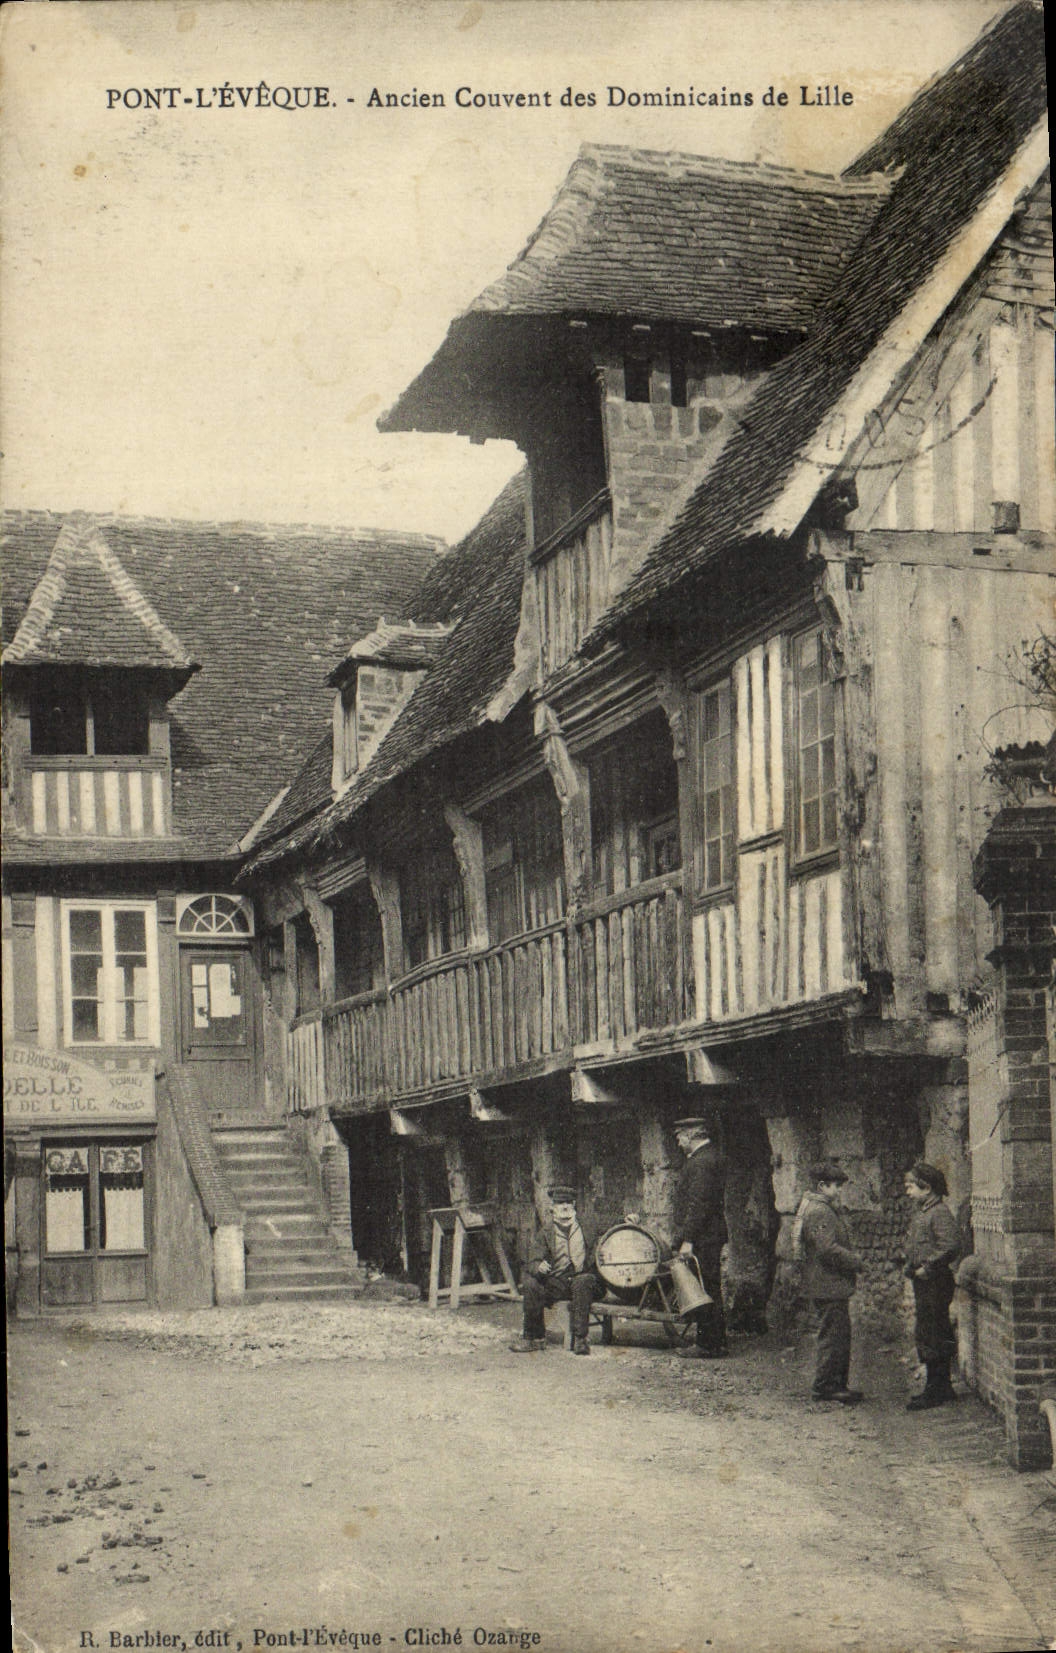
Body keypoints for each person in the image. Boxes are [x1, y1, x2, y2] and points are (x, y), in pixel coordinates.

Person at [794, 1161, 864, 1404]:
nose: (840, 1190)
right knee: (833, 1336)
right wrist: (855, 1261)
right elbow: (827, 1249)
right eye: (837, 1186)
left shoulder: (821, 1208)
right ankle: (826, 1386)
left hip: (829, 1284)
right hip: (828, 1284)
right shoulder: (820, 1211)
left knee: (838, 1335)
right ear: (822, 1186)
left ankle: (835, 1385)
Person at [509, 1184, 598, 1355]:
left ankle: (580, 1340)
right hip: (559, 1283)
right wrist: (539, 1266)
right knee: (531, 1285)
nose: (564, 1207)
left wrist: (628, 1218)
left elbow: (612, 1221)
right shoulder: (546, 1232)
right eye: (560, 1203)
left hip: (585, 1281)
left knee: (583, 1280)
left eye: (568, 1202)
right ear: (553, 1208)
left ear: (573, 1205)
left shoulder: (587, 1224)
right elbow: (532, 1261)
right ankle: (534, 1339)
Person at [903, 1160, 960, 1410]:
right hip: (924, 1281)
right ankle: (941, 1386)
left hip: (936, 1281)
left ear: (926, 1188)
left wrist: (928, 1266)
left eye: (911, 1186)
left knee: (934, 1331)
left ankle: (936, 1389)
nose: (908, 1192)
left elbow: (950, 1245)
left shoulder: (939, 1213)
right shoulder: (924, 1213)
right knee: (928, 1331)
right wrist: (910, 1265)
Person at [670, 1115, 728, 1358]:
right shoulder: (708, 1157)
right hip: (708, 1235)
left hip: (704, 1237)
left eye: (680, 1137)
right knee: (708, 1286)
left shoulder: (702, 1162)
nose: (679, 1142)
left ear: (692, 1135)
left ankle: (708, 1344)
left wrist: (688, 1239)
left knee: (704, 1288)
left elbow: (699, 1205)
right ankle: (714, 1341)